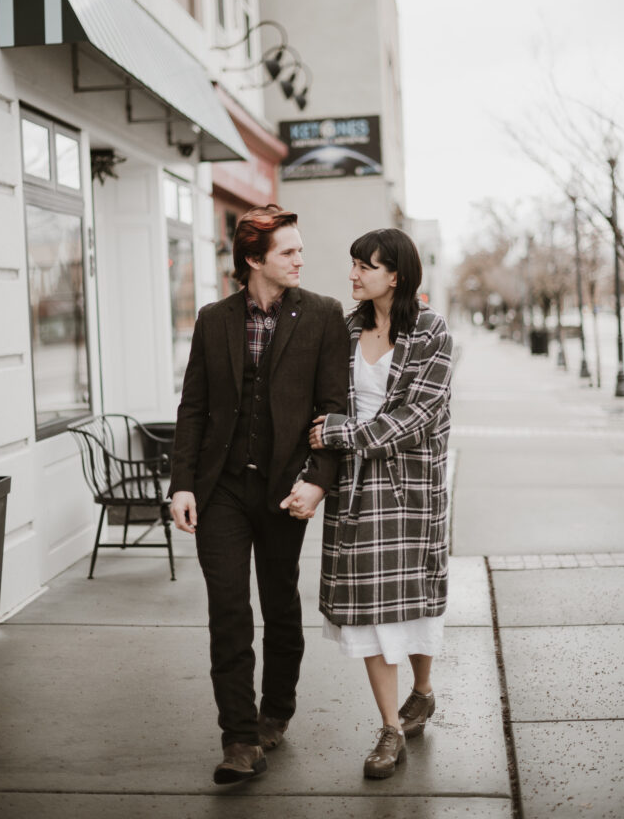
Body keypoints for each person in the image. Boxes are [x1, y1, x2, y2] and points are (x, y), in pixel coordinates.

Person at [169, 204, 349, 785]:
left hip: (283, 489)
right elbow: (193, 408)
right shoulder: (213, 318)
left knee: (279, 604)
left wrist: (318, 481)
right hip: (221, 487)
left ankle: (276, 711)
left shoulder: (322, 315)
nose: (301, 258)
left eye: (299, 248)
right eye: (288, 251)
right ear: (253, 260)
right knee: (228, 609)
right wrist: (182, 484)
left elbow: (333, 408)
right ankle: (239, 738)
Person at [283, 227, 452, 780]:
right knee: (373, 615)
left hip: (410, 490)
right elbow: (323, 402)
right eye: (353, 264)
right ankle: (389, 728)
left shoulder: (430, 331)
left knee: (414, 605)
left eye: (365, 266)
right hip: (357, 492)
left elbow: (418, 418)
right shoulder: (344, 329)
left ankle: (421, 692)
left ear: (395, 275)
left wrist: (340, 434)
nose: (353, 274)